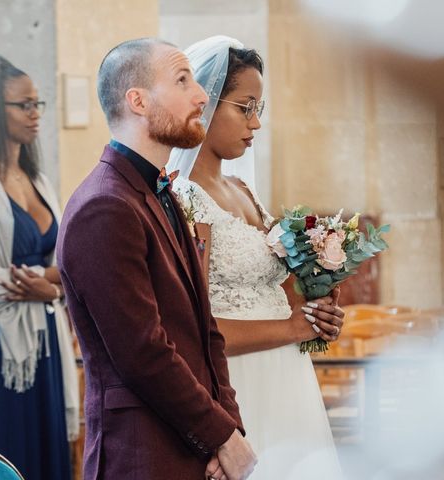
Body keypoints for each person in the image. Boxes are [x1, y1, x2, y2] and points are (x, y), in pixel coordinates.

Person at [56, 38, 257, 480]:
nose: (201, 95)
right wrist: (220, 437)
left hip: (192, 449)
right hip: (143, 455)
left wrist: (230, 431)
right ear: (138, 101)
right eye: (182, 80)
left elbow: (207, 333)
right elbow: (142, 353)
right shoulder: (103, 207)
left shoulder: (156, 192)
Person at [170, 36, 344, 479]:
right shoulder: (186, 198)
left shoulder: (244, 191)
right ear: (206, 105)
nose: (255, 123)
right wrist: (292, 326)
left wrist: (320, 306)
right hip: (239, 383)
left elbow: (279, 290)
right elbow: (193, 329)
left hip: (287, 373)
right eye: (245, 107)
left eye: (259, 110)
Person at [0, 48, 79, 480]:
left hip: (44, 337)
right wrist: (54, 281)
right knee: (2, 454)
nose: (36, 114)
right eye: (24, 105)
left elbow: (68, 263)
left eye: (38, 103)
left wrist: (50, 286)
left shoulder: (38, 180)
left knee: (46, 456)